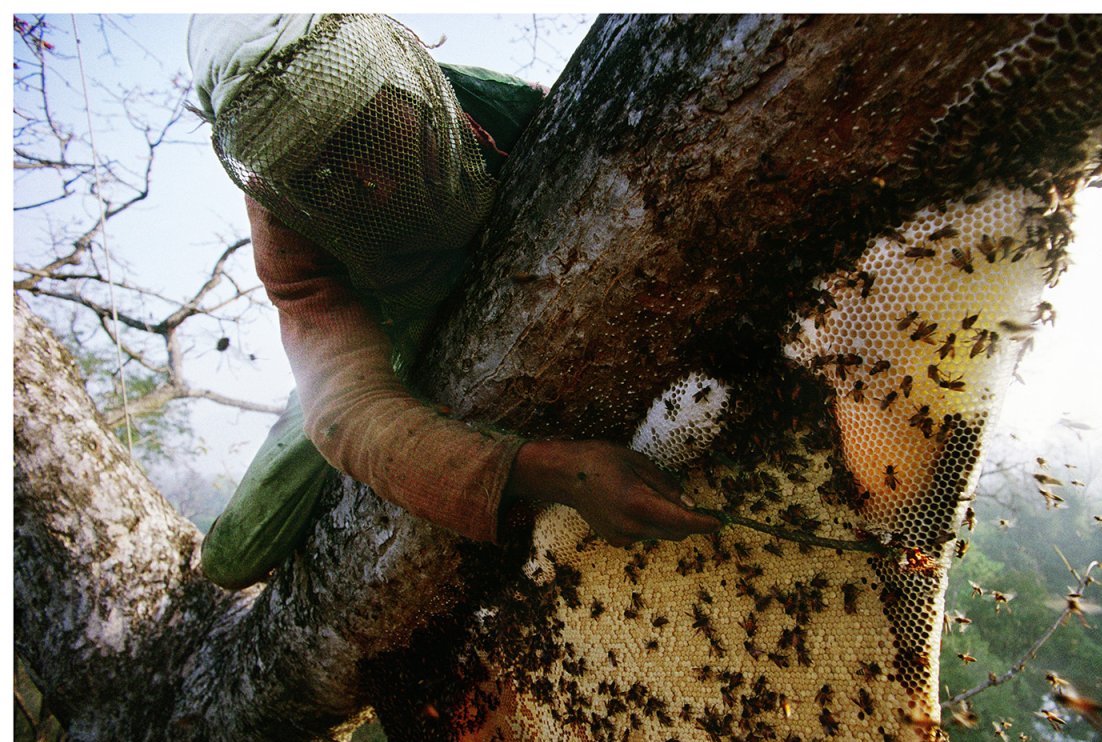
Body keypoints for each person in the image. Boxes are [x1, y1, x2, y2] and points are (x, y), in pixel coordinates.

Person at [188, 14, 719, 589]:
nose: (370, 182)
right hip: (376, 343)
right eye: (315, 169)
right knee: (234, 556)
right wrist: (562, 475)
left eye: (364, 129)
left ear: (396, 67)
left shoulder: (510, 107)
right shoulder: (283, 226)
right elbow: (347, 410)